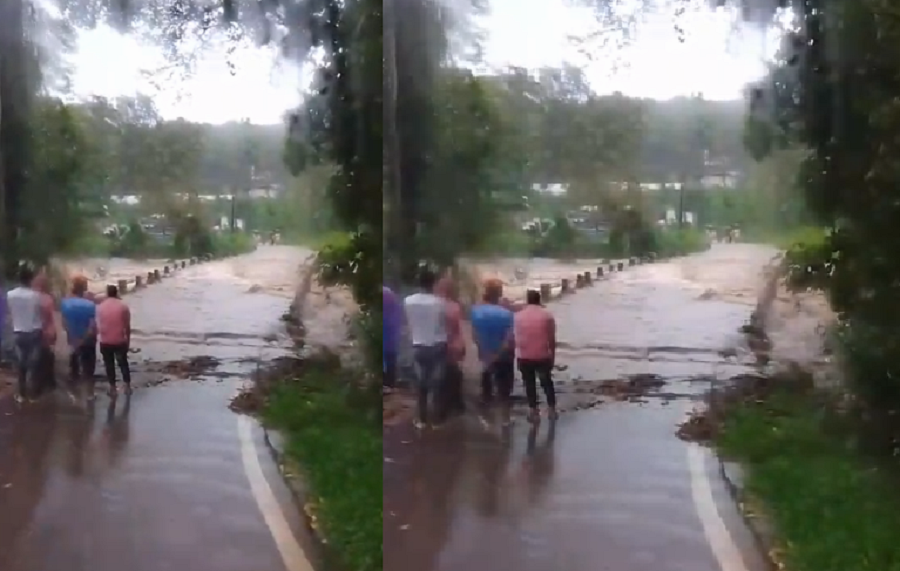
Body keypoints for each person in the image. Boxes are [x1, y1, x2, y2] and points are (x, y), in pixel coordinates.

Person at [403, 268, 448, 429]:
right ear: (433, 283)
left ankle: (421, 419)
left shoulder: (408, 301)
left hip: (418, 345)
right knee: (437, 384)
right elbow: (442, 324)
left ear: (418, 283)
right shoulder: (440, 302)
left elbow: (408, 322)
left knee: (420, 384)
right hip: (437, 345)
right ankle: (436, 420)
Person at [514, 289, 558, 423]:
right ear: (539, 300)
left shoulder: (518, 316)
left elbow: (516, 335)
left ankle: (533, 411)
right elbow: (551, 338)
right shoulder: (547, 316)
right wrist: (552, 356)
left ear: (527, 300)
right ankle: (551, 409)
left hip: (524, 355)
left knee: (529, 383)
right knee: (546, 382)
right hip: (542, 355)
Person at [6, 266, 44, 403]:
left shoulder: (10, 294)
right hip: (34, 332)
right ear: (30, 279)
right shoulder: (35, 295)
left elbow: (11, 313)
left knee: (21, 364)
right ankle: (33, 394)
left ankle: (21, 394)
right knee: (33, 364)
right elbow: (38, 314)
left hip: (18, 332)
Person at [61, 275, 98, 400]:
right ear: (84, 288)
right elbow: (92, 325)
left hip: (72, 339)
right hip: (88, 340)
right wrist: (84, 338)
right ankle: (90, 394)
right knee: (89, 368)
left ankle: (74, 393)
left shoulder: (65, 303)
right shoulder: (90, 305)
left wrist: (73, 337)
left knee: (74, 366)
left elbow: (64, 323)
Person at [436, 275, 466, 416]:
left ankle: (445, 405)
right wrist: (461, 345)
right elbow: (457, 328)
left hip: (438, 344)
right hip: (452, 344)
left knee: (445, 374)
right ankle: (455, 403)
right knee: (453, 373)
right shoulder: (454, 306)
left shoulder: (435, 304)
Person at [96, 284, 132, 396]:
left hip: (105, 340)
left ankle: (112, 388)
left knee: (109, 364)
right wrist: (128, 340)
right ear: (117, 293)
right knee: (123, 363)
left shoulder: (100, 306)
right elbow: (127, 326)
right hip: (119, 340)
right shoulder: (123, 306)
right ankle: (127, 386)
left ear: (107, 293)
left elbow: (99, 324)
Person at [32, 269, 58, 394]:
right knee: (46, 355)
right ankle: (49, 381)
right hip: (46, 330)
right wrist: (53, 332)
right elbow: (51, 317)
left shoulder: (31, 297)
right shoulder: (48, 298)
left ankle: (39, 384)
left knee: (38, 357)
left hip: (35, 330)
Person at [382, 285, 402, 390]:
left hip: (388, 332)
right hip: (391, 334)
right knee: (390, 357)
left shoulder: (385, 293)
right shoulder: (390, 294)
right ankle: (389, 383)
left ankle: (387, 383)